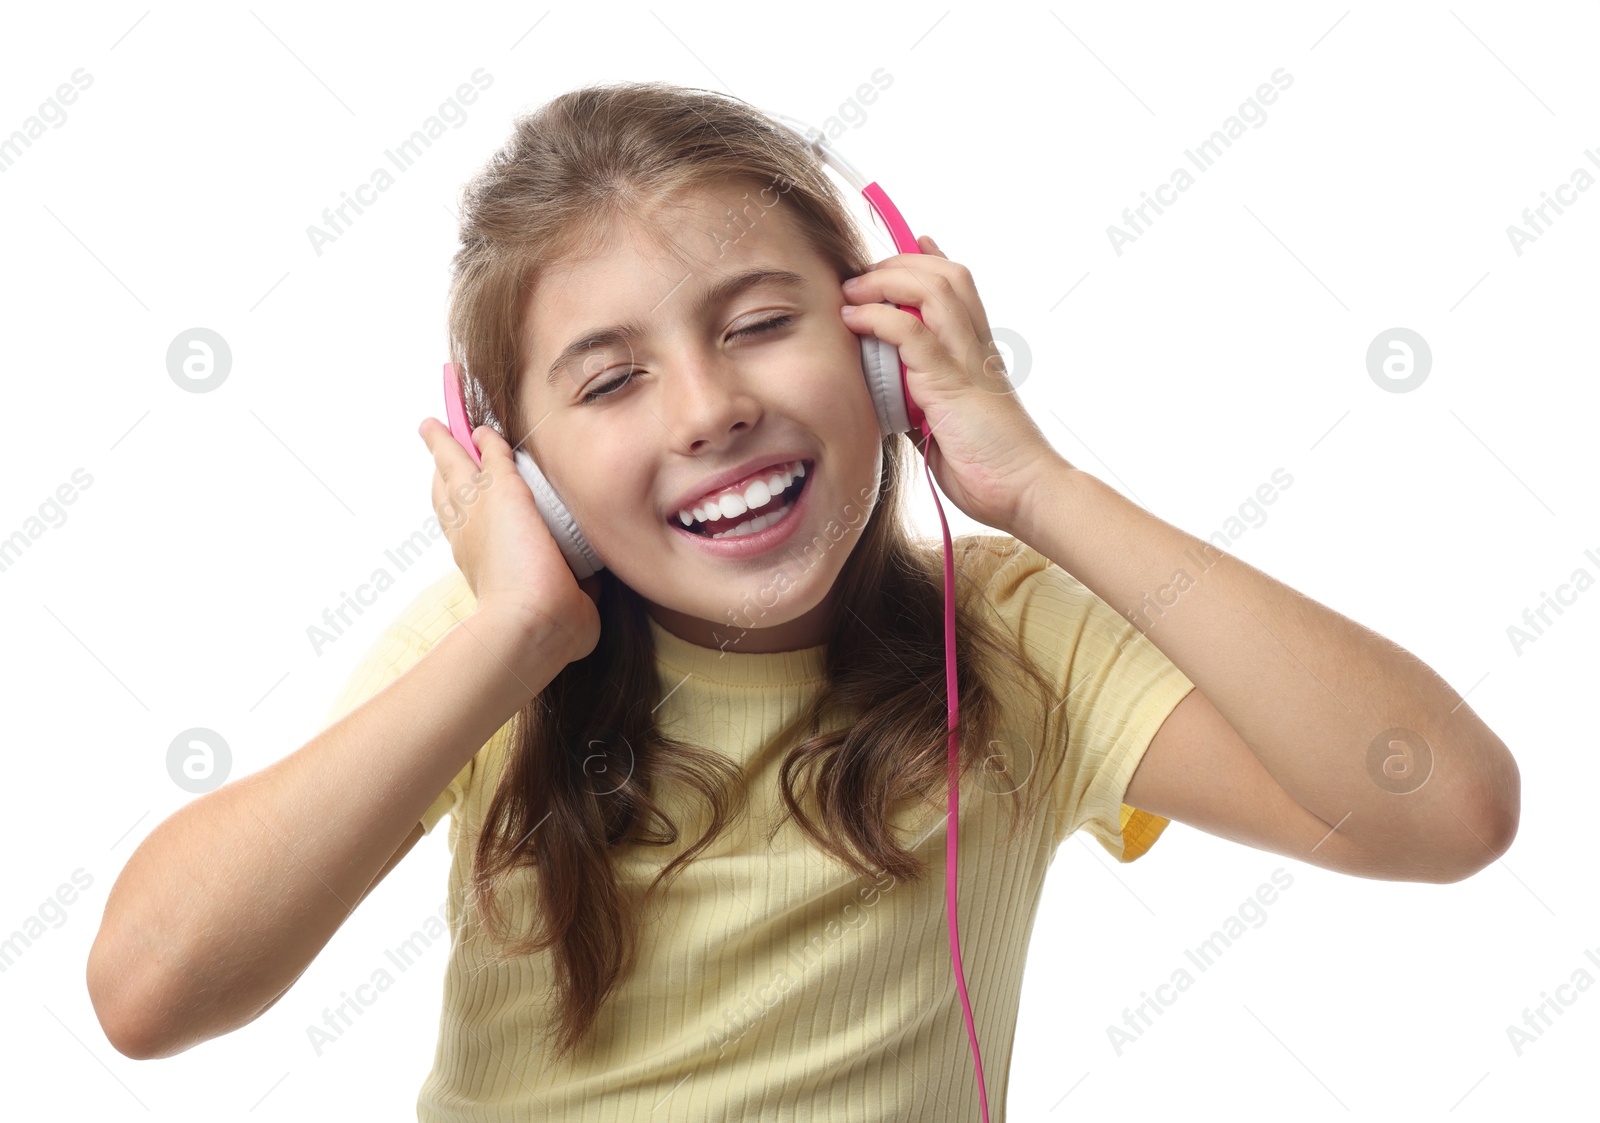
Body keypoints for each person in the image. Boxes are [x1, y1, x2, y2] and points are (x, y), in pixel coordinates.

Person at [87, 80, 1519, 1121]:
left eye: (761, 325)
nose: (710, 408)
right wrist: (512, 632)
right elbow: (151, 994)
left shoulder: (1011, 641)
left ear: (886, 349)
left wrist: (1040, 486)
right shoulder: (493, 657)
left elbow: (1443, 808)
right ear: (519, 466)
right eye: (611, 378)